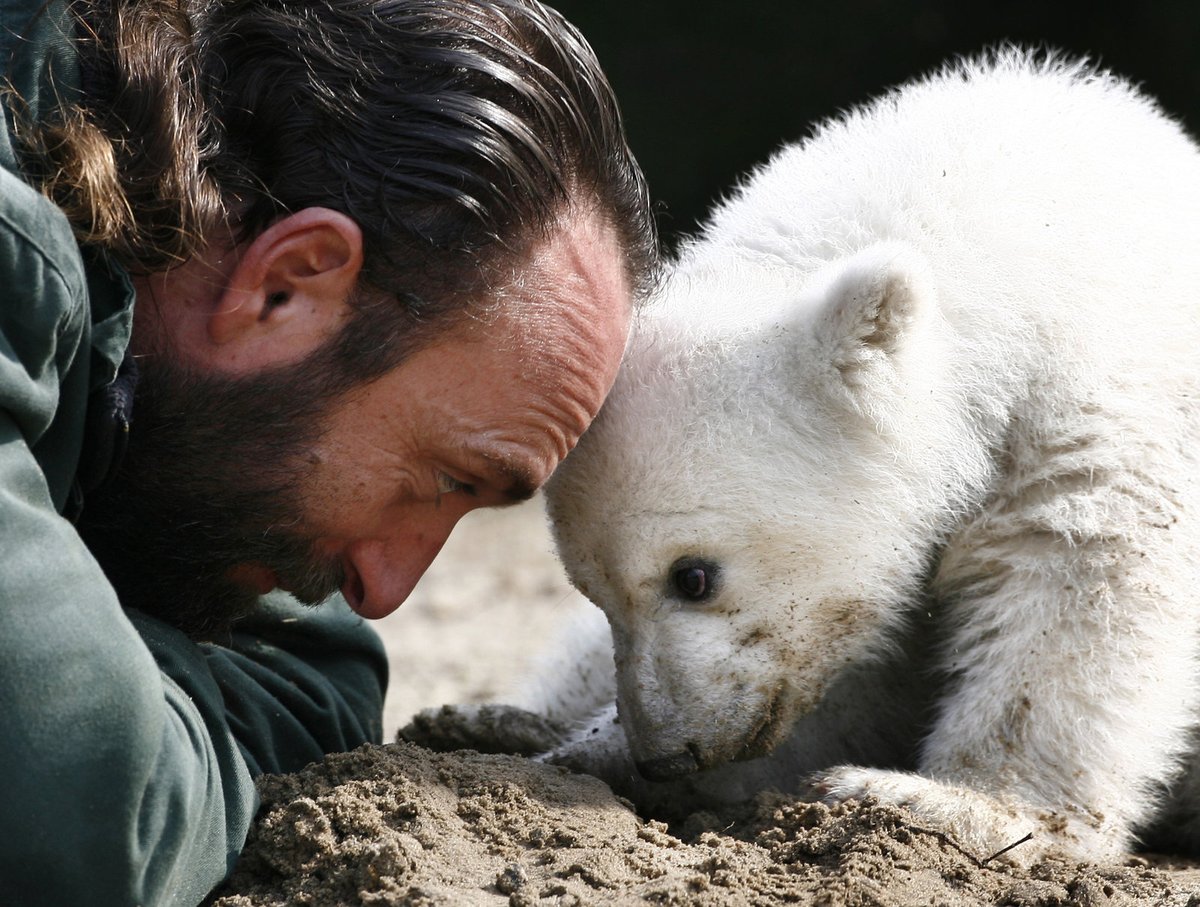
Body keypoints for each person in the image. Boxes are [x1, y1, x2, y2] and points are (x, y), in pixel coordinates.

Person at [0, 0, 656, 902]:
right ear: (288, 284)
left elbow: (309, 693)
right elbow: (92, 813)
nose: (382, 590)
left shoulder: (182, 418)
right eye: (443, 479)